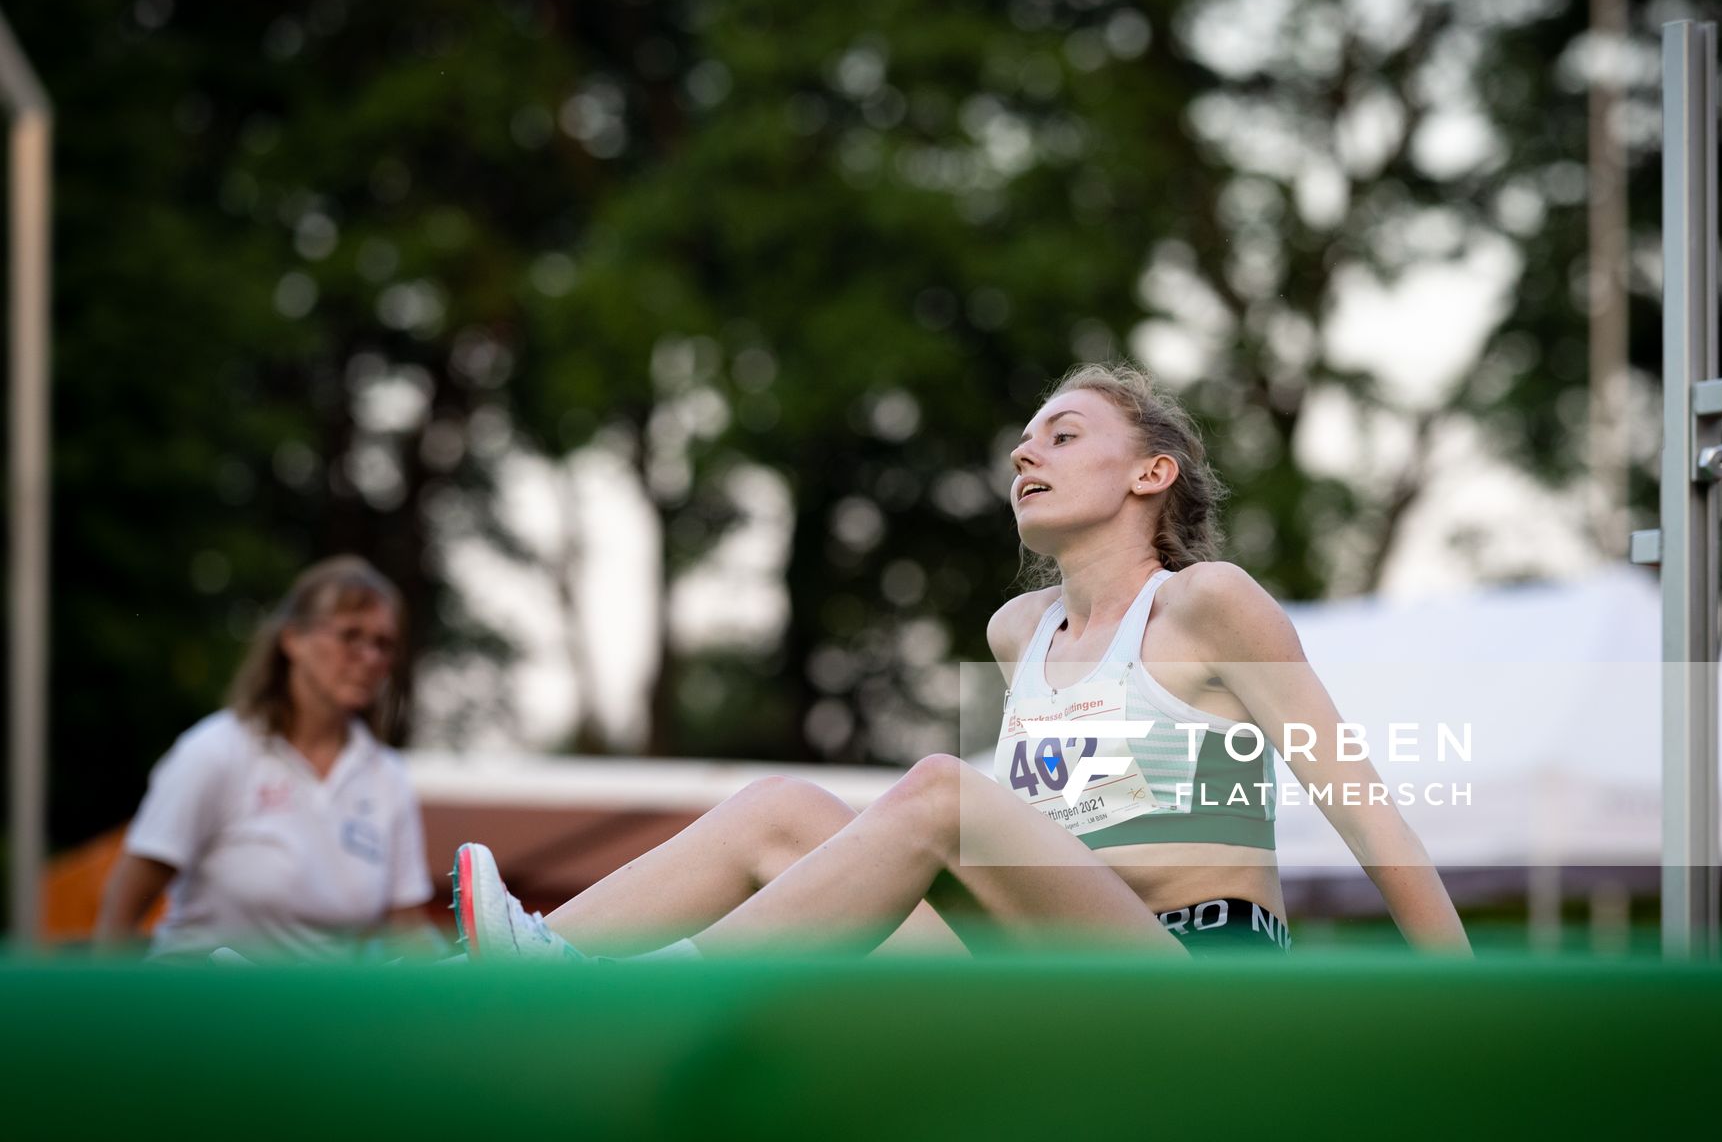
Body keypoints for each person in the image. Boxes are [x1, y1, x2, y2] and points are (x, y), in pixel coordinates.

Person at [454, 362, 1470, 961]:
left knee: (942, 792)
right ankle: (523, 974)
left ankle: (664, 999)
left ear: (1152, 473)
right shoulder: (1017, 633)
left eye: (1064, 435)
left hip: (1194, 974)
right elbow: (1013, 860)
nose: (1025, 454)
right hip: (1037, 970)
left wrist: (1474, 1027)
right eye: (1023, 441)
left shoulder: (1210, 602)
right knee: (778, 808)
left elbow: (1370, 813)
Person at [95, 555, 437, 961]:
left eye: (384, 644)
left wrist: (481, 977)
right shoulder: (215, 751)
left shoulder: (387, 776)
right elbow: (121, 910)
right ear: (292, 639)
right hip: (203, 1012)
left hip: (321, 1020)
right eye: (350, 636)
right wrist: (117, 1017)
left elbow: (408, 934)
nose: (370, 657)